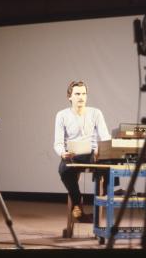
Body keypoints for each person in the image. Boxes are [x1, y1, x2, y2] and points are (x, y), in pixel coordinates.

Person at [54, 81, 111, 221]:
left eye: (84, 94)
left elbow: (105, 136)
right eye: (77, 94)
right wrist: (62, 153)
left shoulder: (95, 113)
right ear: (70, 97)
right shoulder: (61, 115)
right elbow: (58, 143)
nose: (81, 97)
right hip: (73, 154)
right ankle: (77, 202)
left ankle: (108, 193)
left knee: (110, 160)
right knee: (63, 168)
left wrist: (100, 149)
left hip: (92, 153)